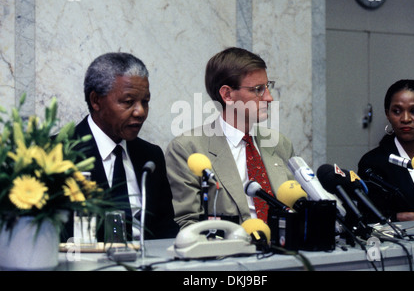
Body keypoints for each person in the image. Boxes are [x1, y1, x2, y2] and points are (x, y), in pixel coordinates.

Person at [165, 47, 295, 229]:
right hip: (230, 253)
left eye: (268, 87)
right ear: (227, 95)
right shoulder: (188, 148)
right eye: (258, 90)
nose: (269, 98)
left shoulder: (279, 143)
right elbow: (188, 224)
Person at [67, 52, 179, 241]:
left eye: (145, 102)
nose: (140, 112)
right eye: (128, 102)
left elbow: (165, 228)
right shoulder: (59, 155)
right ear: (96, 100)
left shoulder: (150, 157)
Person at [358, 79, 414, 222]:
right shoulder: (373, 163)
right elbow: (367, 217)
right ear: (388, 114)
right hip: (396, 243)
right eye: (397, 111)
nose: (405, 119)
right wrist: (397, 217)